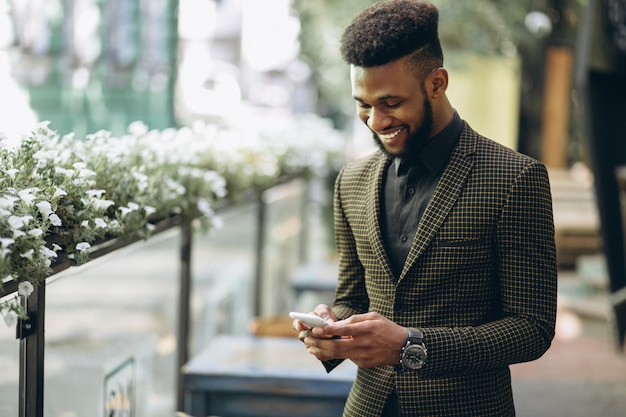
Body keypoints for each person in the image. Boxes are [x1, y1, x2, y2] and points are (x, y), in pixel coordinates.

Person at [292, 1, 558, 416]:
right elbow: (353, 296)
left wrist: (410, 345)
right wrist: (331, 328)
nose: (375, 121)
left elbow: (532, 328)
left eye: (391, 102)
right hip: (367, 407)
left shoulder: (515, 179)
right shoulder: (351, 182)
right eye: (363, 103)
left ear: (437, 83)